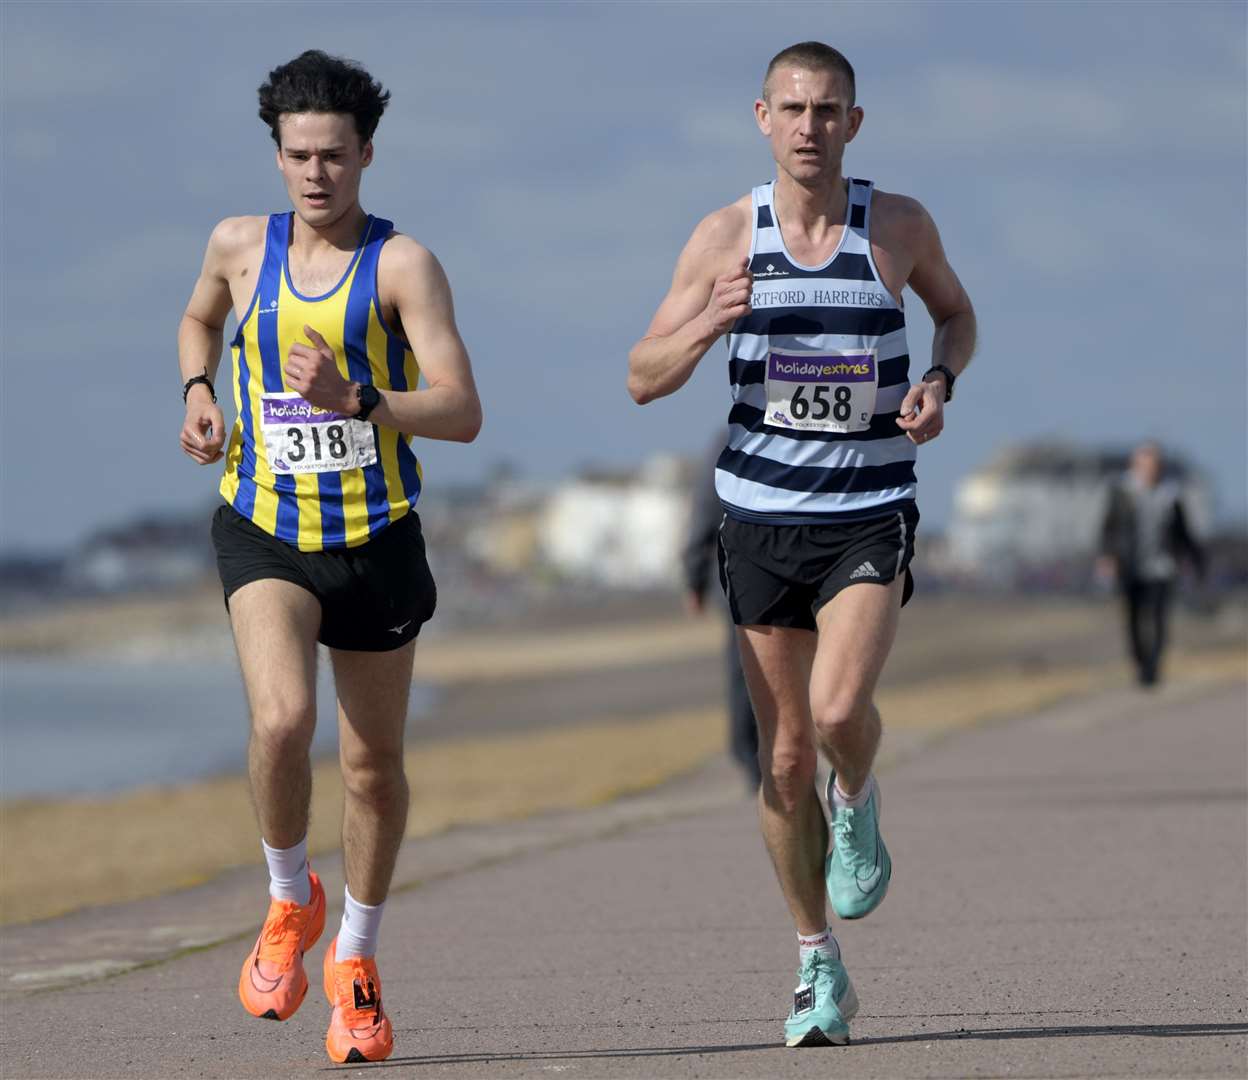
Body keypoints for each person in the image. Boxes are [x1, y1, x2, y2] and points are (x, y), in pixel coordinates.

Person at [628, 42, 976, 1048]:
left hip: (870, 508)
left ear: (854, 124)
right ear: (761, 117)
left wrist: (940, 383)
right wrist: (706, 325)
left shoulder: (898, 227)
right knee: (780, 764)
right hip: (759, 519)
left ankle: (859, 792)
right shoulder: (725, 235)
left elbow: (957, 317)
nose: (810, 127)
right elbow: (643, 375)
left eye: (829, 110)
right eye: (793, 108)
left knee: (834, 712)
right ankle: (818, 968)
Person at [176, 50, 482, 1064]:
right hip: (265, 526)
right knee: (280, 720)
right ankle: (283, 901)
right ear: (277, 155)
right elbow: (199, 320)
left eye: (335, 157)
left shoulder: (402, 266)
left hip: (376, 536)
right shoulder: (235, 247)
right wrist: (198, 390)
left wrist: (357, 398)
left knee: (372, 768)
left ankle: (354, 958)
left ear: (366, 155)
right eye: (300, 155)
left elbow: (462, 410)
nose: (317, 175)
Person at [682, 432, 761, 790]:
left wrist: (694, 580)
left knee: (745, 672)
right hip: (735, 578)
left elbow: (702, 511)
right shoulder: (729, 439)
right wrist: (695, 577)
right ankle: (755, 759)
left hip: (739, 579)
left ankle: (759, 759)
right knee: (750, 671)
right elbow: (705, 511)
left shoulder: (729, 436)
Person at [1098, 442, 1205, 686]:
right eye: (1145, 465)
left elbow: (1183, 532)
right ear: (1135, 466)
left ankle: (1153, 667)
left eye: (1154, 466)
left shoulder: (1170, 495)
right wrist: (1107, 556)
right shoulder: (1122, 492)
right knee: (1133, 618)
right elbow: (1108, 528)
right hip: (1130, 565)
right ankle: (1140, 661)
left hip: (1162, 566)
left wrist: (1196, 560)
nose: (1150, 471)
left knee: (1158, 618)